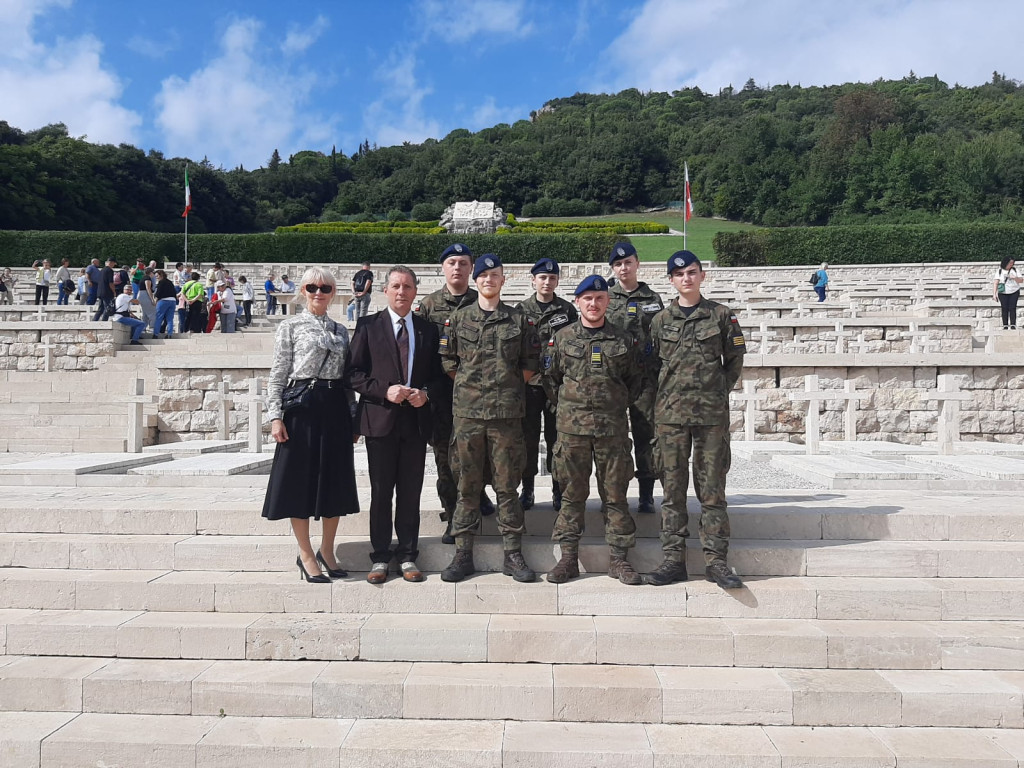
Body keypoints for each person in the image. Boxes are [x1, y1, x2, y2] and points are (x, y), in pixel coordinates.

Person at [646, 250, 746, 590]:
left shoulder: (721, 316)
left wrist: (717, 392)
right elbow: (651, 369)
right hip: (671, 418)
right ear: (671, 280)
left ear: (702, 276)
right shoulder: (660, 321)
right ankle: (673, 559)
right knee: (672, 492)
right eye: (679, 274)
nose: (686, 278)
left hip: (710, 418)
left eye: (692, 272)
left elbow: (734, 360)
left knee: (712, 492)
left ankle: (716, 561)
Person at [439, 253, 541, 583]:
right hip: (468, 416)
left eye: (494, 275)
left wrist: (504, 389)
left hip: (506, 416)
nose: (488, 280)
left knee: (507, 486)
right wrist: (475, 391)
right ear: (475, 280)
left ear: (503, 280)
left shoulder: (518, 320)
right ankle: (462, 553)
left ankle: (513, 553)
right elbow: (449, 363)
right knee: (466, 485)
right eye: (483, 275)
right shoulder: (458, 319)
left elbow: (529, 364)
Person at [542, 274, 644, 585]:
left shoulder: (623, 341)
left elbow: (635, 382)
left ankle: (618, 559)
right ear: (577, 302)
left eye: (599, 298)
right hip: (572, 432)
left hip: (611, 430)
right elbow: (551, 380)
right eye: (587, 298)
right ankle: (568, 558)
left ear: (607, 301)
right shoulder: (563, 338)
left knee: (615, 495)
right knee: (572, 495)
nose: (594, 303)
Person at [349, 266, 445, 584]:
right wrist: (384, 390)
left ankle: (407, 555)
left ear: (415, 291)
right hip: (380, 421)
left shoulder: (428, 330)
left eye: (407, 286)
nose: (401, 291)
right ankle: (379, 557)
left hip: (415, 424)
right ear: (385, 291)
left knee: (410, 493)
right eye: (395, 286)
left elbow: (439, 376)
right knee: (380, 492)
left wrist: (426, 393)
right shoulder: (367, 326)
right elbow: (354, 374)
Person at [263, 267, 359, 583]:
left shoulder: (341, 329)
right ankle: (305, 553)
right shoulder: (290, 327)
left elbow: (346, 379)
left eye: (326, 288)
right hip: (302, 407)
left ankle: (327, 550)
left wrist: (354, 416)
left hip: (334, 407)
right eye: (313, 287)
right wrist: (275, 416)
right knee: (299, 481)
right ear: (303, 290)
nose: (319, 292)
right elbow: (278, 374)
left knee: (334, 480)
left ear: (333, 292)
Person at [415, 243, 496, 544]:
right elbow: (422, 354)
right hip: (442, 394)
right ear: (443, 268)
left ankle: (479, 495)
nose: (458, 268)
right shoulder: (429, 306)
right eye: (452, 262)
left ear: (472, 268)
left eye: (464, 262)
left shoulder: (483, 300)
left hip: (480, 394)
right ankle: (452, 516)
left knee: (482, 453)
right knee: (446, 459)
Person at [606, 242, 663, 515]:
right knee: (614, 438)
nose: (623, 268)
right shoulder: (605, 297)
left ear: (637, 263)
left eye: (628, 262)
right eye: (618, 264)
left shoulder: (653, 299)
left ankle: (646, 495)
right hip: (614, 379)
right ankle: (614, 494)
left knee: (646, 436)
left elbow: (660, 336)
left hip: (644, 379)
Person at [517, 258, 577, 511]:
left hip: (557, 385)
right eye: (542, 277)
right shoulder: (520, 310)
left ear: (557, 281)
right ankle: (527, 489)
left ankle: (558, 490)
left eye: (552, 278)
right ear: (533, 280)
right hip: (530, 385)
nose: (547, 282)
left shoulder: (566, 310)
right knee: (528, 438)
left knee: (557, 439)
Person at [994, 256, 1021, 330]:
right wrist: (994, 294)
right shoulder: (999, 271)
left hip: (1014, 291)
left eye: (1012, 263)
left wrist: (1015, 278)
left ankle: (1013, 324)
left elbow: (1021, 280)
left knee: (1012, 308)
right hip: (1003, 292)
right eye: (1010, 263)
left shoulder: (1015, 270)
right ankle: (1005, 325)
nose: (1011, 264)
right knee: (1004, 308)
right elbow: (996, 283)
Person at [153, 269, 177, 338]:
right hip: (172, 301)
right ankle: (169, 334)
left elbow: (158, 293)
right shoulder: (170, 282)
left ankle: (156, 334)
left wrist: (155, 301)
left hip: (163, 301)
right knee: (170, 319)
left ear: (161, 275)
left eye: (157, 276)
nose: (156, 277)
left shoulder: (161, 282)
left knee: (159, 318)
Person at [137, 268, 157, 333]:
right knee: (152, 312)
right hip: (145, 295)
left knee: (145, 313)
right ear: (150, 273)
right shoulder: (147, 278)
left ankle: (143, 328)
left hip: (141, 294)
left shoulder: (143, 278)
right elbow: (148, 288)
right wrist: (152, 299)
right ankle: (152, 327)